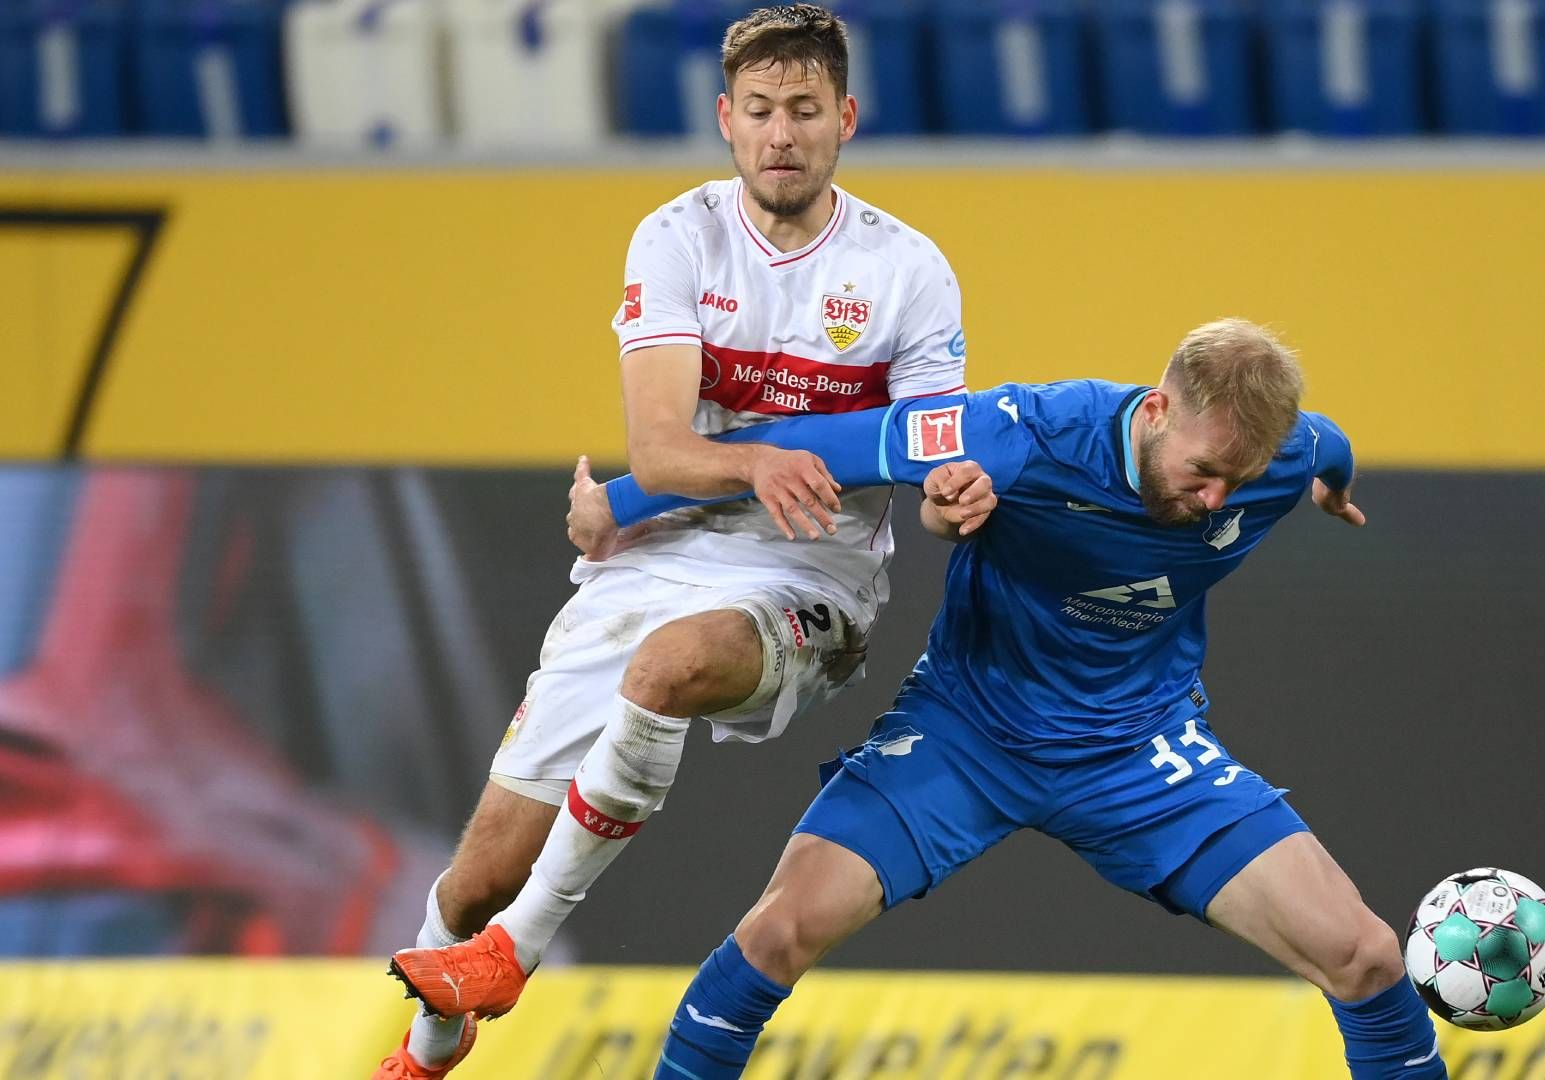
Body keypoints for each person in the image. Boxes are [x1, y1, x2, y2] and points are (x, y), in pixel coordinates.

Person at [425, 317, 1446, 1079]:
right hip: (967, 735)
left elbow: (1329, 442)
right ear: (1154, 410)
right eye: (1205, 473)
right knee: (778, 933)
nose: (1218, 500)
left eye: (1246, 478)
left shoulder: (1279, 456)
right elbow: (821, 445)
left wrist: (1327, 486)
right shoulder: (1017, 434)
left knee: (1363, 955)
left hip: (1140, 752)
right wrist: (620, 503)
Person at [376, 6, 971, 1076]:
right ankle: (424, 1049)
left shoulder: (908, 271)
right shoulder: (677, 235)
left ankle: (516, 956)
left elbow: (931, 466)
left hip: (810, 577)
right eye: (758, 111)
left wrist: (949, 502)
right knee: (470, 885)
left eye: (801, 110)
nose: (780, 134)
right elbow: (657, 447)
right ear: (724, 121)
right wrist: (746, 464)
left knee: (671, 666)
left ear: (845, 118)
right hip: (658, 556)